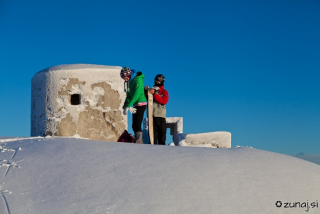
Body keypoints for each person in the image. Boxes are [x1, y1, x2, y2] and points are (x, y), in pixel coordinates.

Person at [120, 67, 147, 144]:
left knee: (137, 123)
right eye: (123, 78)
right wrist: (125, 104)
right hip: (135, 104)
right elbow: (128, 95)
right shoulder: (129, 82)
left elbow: (137, 94)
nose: (124, 79)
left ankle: (139, 142)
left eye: (125, 77)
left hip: (141, 103)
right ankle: (136, 140)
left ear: (128, 75)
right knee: (134, 125)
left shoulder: (138, 80)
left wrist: (129, 105)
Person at [144, 74, 169, 145]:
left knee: (162, 137)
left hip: (161, 116)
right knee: (152, 138)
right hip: (152, 116)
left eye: (159, 80)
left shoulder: (164, 91)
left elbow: (163, 101)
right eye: (156, 80)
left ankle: (163, 153)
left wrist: (155, 94)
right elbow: (147, 99)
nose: (157, 82)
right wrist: (146, 91)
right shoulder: (152, 89)